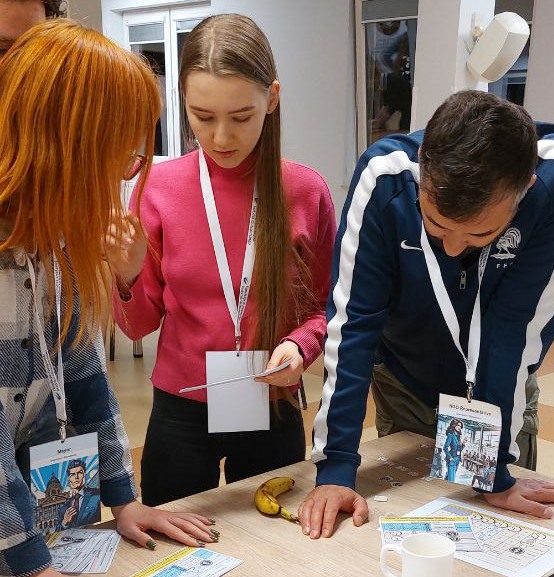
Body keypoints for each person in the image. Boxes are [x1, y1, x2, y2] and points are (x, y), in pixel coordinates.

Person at [300, 90, 554, 539]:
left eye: (480, 234)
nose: (451, 248)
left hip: (501, 393)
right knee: (401, 528)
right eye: (436, 225)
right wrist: (336, 466)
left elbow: (516, 330)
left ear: (524, 188)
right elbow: (354, 327)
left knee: (490, 538)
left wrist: (494, 472)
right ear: (422, 170)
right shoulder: (385, 176)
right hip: (405, 381)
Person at [0, 19, 218, 577]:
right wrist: (30, 564)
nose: (126, 173)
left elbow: (87, 380)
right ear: (61, 146)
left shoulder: (60, 241)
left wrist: (124, 499)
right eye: (117, 153)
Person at [107, 13, 336, 507]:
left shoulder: (305, 191)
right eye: (203, 117)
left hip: (270, 400)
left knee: (271, 538)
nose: (221, 138)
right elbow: (137, 325)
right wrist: (125, 278)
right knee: (173, 536)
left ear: (272, 99)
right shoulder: (158, 189)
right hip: (180, 408)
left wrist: (300, 347)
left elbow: (325, 309)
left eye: (241, 117)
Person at [58, 460, 101, 529]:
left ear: (84, 474)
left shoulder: (96, 495)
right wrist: (64, 522)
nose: (76, 477)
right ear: (69, 479)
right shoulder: (63, 508)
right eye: (72, 475)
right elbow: (57, 529)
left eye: (79, 473)